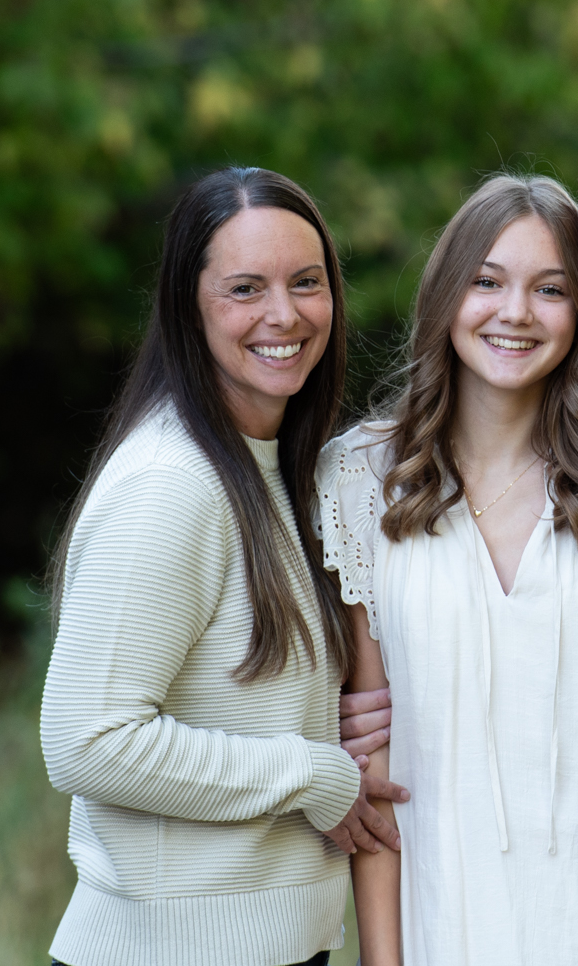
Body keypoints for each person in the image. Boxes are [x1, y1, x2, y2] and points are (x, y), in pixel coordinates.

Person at [40, 167, 407, 966]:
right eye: (246, 288)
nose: (284, 314)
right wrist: (312, 772)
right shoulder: (169, 486)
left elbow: (241, 690)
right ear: (188, 305)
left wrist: (342, 722)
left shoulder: (275, 466)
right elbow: (85, 738)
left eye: (306, 282)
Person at [315, 174, 578, 966]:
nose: (514, 312)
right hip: (449, 916)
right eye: (487, 281)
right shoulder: (358, 479)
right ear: (447, 295)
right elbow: (374, 775)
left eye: (549, 288)